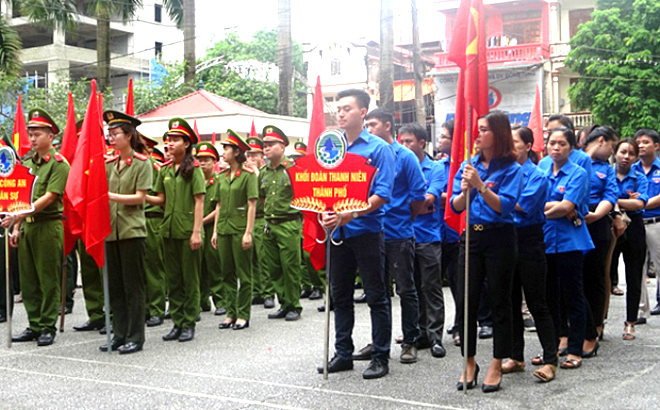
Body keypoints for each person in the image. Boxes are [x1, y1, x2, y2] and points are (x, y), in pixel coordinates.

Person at [319, 89, 395, 380]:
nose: (340, 113)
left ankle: (380, 356)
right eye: (338, 109)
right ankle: (343, 353)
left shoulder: (378, 148)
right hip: (337, 232)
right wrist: (325, 212)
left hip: (367, 230)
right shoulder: (331, 146)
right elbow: (324, 187)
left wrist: (353, 213)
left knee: (376, 296)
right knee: (339, 296)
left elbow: (383, 194)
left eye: (347, 108)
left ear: (363, 112)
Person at [450, 111, 522, 392]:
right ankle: (469, 361)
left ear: (498, 134)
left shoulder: (512, 169)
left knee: (499, 301)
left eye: (484, 130)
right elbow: (456, 207)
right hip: (471, 238)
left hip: (500, 238)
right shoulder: (469, 165)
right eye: (477, 130)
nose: (477, 135)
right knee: (467, 301)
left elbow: (503, 206)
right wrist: (466, 189)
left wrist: (480, 185)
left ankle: (496, 361)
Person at [358, 110, 426, 365]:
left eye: (372, 124)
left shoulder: (405, 156)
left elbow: (419, 196)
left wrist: (406, 219)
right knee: (377, 292)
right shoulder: (368, 155)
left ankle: (410, 340)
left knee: (406, 289)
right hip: (373, 231)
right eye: (367, 125)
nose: (369, 129)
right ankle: (379, 343)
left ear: (388, 126)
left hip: (398, 232)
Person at [10, 109, 70, 346]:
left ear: (51, 136)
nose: (32, 139)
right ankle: (34, 324)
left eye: (37, 134)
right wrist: (16, 226)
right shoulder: (27, 163)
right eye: (31, 134)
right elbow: (21, 195)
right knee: (28, 279)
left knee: (48, 278)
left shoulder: (58, 164)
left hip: (48, 225)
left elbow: (48, 197)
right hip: (28, 227)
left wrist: (20, 214)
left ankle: (47, 326)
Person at [503, 125, 557, 382]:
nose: (511, 147)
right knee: (510, 301)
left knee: (537, 302)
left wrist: (492, 196)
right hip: (505, 239)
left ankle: (550, 359)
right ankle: (516, 356)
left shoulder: (536, 176)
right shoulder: (502, 172)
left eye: (516, 142)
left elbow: (521, 206)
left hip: (529, 239)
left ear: (528, 146)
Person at [147, 117, 205, 342]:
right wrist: (142, 196)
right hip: (168, 230)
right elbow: (160, 198)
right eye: (168, 140)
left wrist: (197, 232)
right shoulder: (165, 169)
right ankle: (177, 322)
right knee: (173, 279)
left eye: (175, 140)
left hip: (188, 231)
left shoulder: (194, 169)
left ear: (186, 144)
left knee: (190, 279)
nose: (169, 144)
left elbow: (199, 201)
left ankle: (189, 322)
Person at [100, 110, 152, 354]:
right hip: (110, 231)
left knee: (134, 287)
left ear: (129, 136)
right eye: (108, 133)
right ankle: (119, 334)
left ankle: (135, 336)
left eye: (115, 133)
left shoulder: (142, 163)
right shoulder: (108, 164)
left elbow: (140, 198)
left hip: (132, 232)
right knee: (116, 287)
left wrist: (109, 195)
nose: (111, 137)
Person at [543, 126, 594, 371]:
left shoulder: (578, 172)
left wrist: (546, 207)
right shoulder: (541, 167)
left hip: (570, 242)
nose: (556, 148)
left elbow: (567, 207)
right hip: (545, 240)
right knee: (551, 296)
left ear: (571, 147)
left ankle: (575, 348)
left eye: (562, 144)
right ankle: (554, 345)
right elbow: (531, 200)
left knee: (573, 295)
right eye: (552, 142)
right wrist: (554, 206)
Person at [399, 122, 447, 359]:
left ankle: (436, 337)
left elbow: (431, 199)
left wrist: (404, 204)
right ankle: (418, 334)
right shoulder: (397, 165)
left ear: (421, 143)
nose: (405, 145)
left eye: (409, 141)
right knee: (411, 288)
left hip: (428, 236)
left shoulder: (435, 168)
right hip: (404, 234)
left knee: (431, 287)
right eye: (402, 141)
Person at [212, 130, 257, 330]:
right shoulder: (221, 176)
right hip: (223, 229)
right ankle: (231, 312)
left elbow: (252, 205)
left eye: (227, 148)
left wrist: (248, 232)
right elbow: (219, 205)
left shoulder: (248, 176)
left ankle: (243, 314)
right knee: (226, 273)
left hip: (240, 229)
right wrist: (214, 231)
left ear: (237, 152)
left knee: (244, 274)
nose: (223, 152)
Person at [581, 127, 619, 357]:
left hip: (597, 221)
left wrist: (597, 215)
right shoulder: (574, 158)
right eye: (612, 147)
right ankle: (574, 326)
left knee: (595, 276)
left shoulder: (607, 170)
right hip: (572, 218)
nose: (612, 151)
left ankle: (596, 324)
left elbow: (610, 195)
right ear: (601, 141)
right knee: (573, 276)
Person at [260, 126, 303, 321]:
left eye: (271, 144)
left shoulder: (294, 170)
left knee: (290, 267)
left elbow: (303, 197)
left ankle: (294, 305)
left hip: (289, 223)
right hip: (270, 224)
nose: (266, 148)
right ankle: (284, 303)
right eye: (265, 145)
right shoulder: (264, 172)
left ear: (283, 146)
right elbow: (262, 198)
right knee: (274, 268)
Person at [612, 138, 648, 340]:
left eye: (631, 154)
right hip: (610, 227)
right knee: (604, 276)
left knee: (634, 276)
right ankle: (600, 322)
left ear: (635, 158)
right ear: (615, 152)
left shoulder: (639, 177)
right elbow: (599, 198)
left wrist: (612, 201)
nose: (626, 157)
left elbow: (640, 203)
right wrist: (626, 201)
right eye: (622, 152)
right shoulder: (606, 174)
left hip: (634, 229)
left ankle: (630, 322)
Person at [632, 129, 660, 317]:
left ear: (656, 146)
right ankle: (641, 309)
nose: (641, 145)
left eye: (645, 142)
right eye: (638, 142)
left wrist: (640, 202)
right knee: (637, 266)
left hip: (656, 222)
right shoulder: (632, 169)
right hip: (636, 222)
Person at [245, 137, 275, 309]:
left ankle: (268, 292)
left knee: (264, 259)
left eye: (254, 155)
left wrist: (255, 171)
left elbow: (262, 192)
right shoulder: (244, 173)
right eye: (248, 155)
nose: (250, 159)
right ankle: (256, 291)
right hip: (249, 220)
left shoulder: (262, 172)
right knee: (251, 259)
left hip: (262, 217)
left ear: (261, 156)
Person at [142, 139, 168, 327]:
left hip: (152, 219)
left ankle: (157, 308)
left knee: (153, 268)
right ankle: (142, 308)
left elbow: (164, 199)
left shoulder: (155, 167)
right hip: (134, 220)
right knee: (138, 269)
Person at [196, 142, 222, 314]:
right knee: (199, 267)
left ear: (214, 162)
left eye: (206, 160)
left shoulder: (219, 181)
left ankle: (220, 300)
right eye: (200, 160)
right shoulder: (194, 179)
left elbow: (219, 207)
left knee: (215, 266)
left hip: (212, 227)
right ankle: (202, 301)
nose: (202, 163)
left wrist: (202, 221)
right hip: (197, 229)